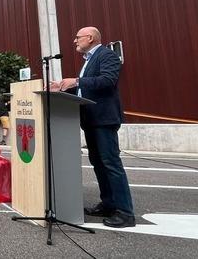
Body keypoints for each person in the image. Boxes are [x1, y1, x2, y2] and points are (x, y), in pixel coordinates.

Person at [51, 26, 135, 228]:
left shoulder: (107, 55)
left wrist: (76, 81)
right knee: (98, 163)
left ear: (90, 38)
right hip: (91, 119)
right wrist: (65, 86)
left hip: (104, 119)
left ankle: (125, 212)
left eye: (78, 37)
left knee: (111, 163)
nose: (74, 41)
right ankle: (108, 203)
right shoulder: (89, 60)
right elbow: (87, 87)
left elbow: (107, 81)